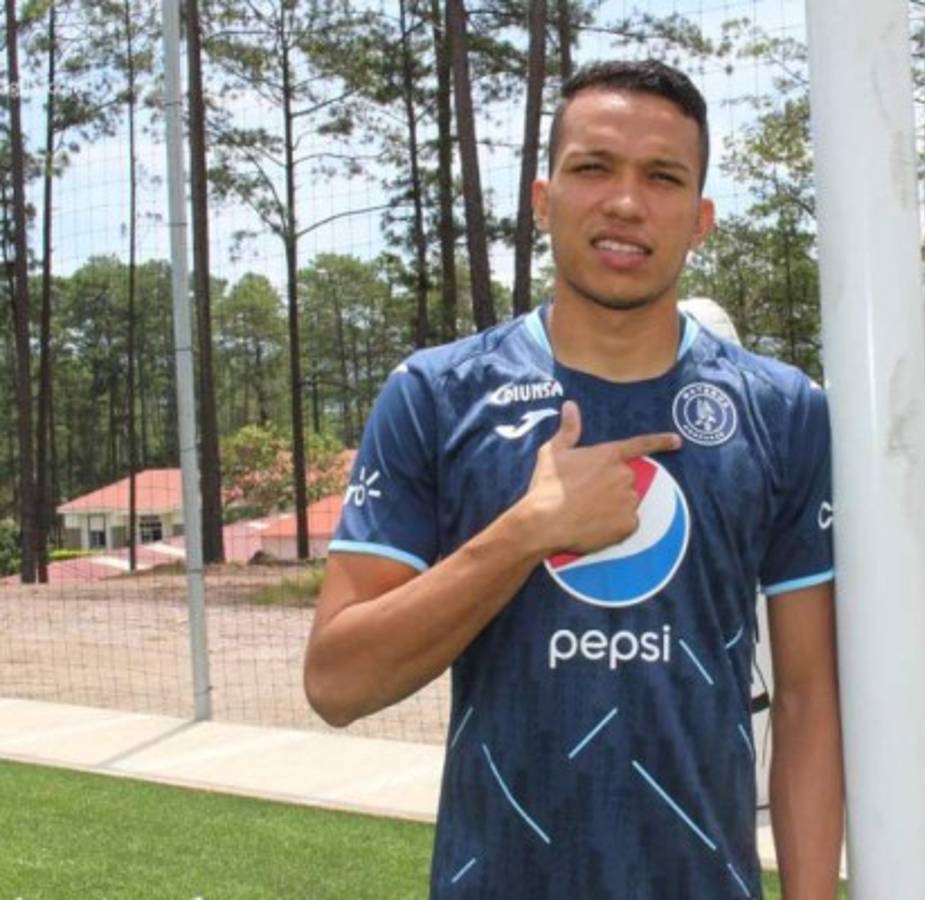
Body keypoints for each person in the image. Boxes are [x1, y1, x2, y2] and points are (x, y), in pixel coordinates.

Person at [303, 59, 843, 899]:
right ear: (542, 198)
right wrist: (528, 532)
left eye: (661, 177)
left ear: (700, 219)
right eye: (593, 167)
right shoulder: (437, 395)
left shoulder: (781, 411)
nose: (625, 202)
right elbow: (337, 684)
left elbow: (808, 698)